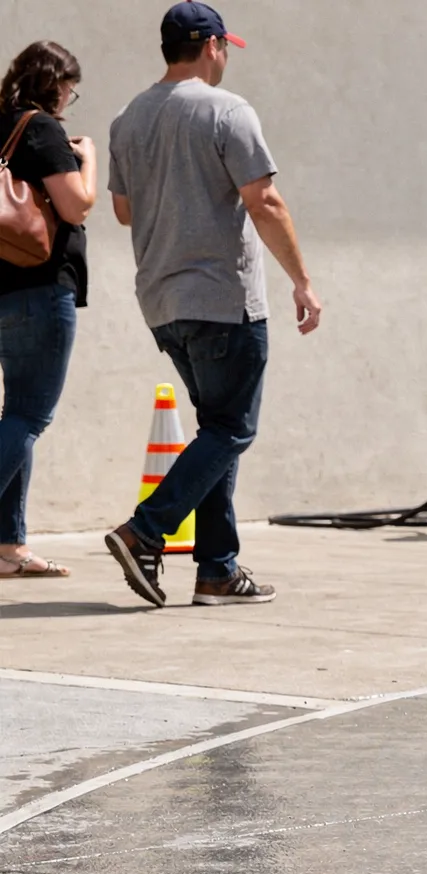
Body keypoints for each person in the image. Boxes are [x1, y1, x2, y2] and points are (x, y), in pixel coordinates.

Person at [101, 3, 319, 608]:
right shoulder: (227, 110)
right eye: (225, 47)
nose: (226, 57)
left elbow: (123, 211)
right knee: (231, 430)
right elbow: (264, 200)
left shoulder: (128, 119)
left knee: (214, 431)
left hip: (163, 303)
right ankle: (145, 529)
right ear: (212, 46)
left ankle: (218, 571)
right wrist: (302, 279)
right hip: (224, 299)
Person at [0, 41, 94, 579]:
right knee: (31, 415)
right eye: (70, 89)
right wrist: (88, 157)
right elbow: (76, 205)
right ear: (56, 83)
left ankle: (9, 546)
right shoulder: (42, 128)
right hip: (41, 288)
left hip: (6, 289)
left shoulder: (5, 125)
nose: (69, 99)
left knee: (16, 414)